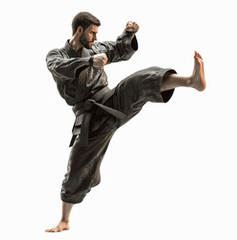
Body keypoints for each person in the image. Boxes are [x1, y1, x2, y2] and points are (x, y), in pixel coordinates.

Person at [44, 11, 206, 233]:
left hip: (110, 101)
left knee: (139, 81)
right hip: (89, 116)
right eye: (92, 33)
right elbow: (59, 68)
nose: (94, 38)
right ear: (79, 30)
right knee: (78, 167)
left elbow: (119, 49)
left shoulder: (97, 48)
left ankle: (190, 81)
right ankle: (64, 220)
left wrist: (128, 34)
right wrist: (90, 61)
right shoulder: (57, 54)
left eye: (96, 34)